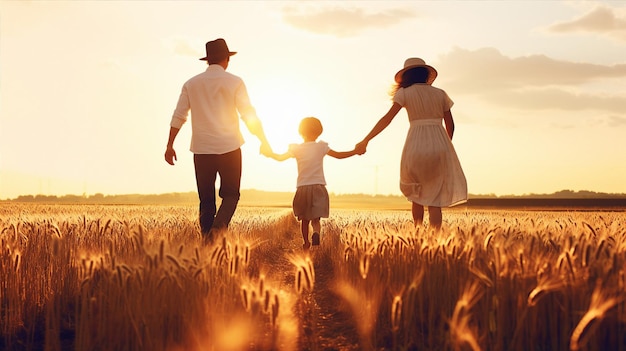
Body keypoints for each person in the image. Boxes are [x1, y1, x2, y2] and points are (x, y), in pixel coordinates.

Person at [165, 38, 272, 242]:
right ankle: (217, 230)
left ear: (207, 60)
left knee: (206, 201)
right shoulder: (235, 82)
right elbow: (248, 114)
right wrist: (263, 140)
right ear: (226, 59)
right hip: (230, 148)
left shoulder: (191, 83)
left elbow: (179, 115)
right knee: (231, 195)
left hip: (201, 150)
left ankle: (207, 243)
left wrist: (170, 145)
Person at [355, 58, 467, 229]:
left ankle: (417, 233)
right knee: (434, 199)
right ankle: (435, 241)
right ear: (426, 75)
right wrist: (445, 145)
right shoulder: (440, 93)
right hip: (439, 144)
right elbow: (450, 125)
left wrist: (366, 140)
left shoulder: (405, 94)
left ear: (406, 76)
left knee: (417, 195)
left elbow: (387, 119)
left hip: (415, 144)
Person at [265, 117, 357, 249]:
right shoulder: (321, 147)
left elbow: (280, 158)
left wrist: (269, 154)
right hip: (318, 187)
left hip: (302, 188)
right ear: (319, 131)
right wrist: (355, 151)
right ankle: (316, 232)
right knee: (316, 218)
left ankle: (306, 242)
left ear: (300, 131)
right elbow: (339, 155)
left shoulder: (297, 149)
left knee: (304, 219)